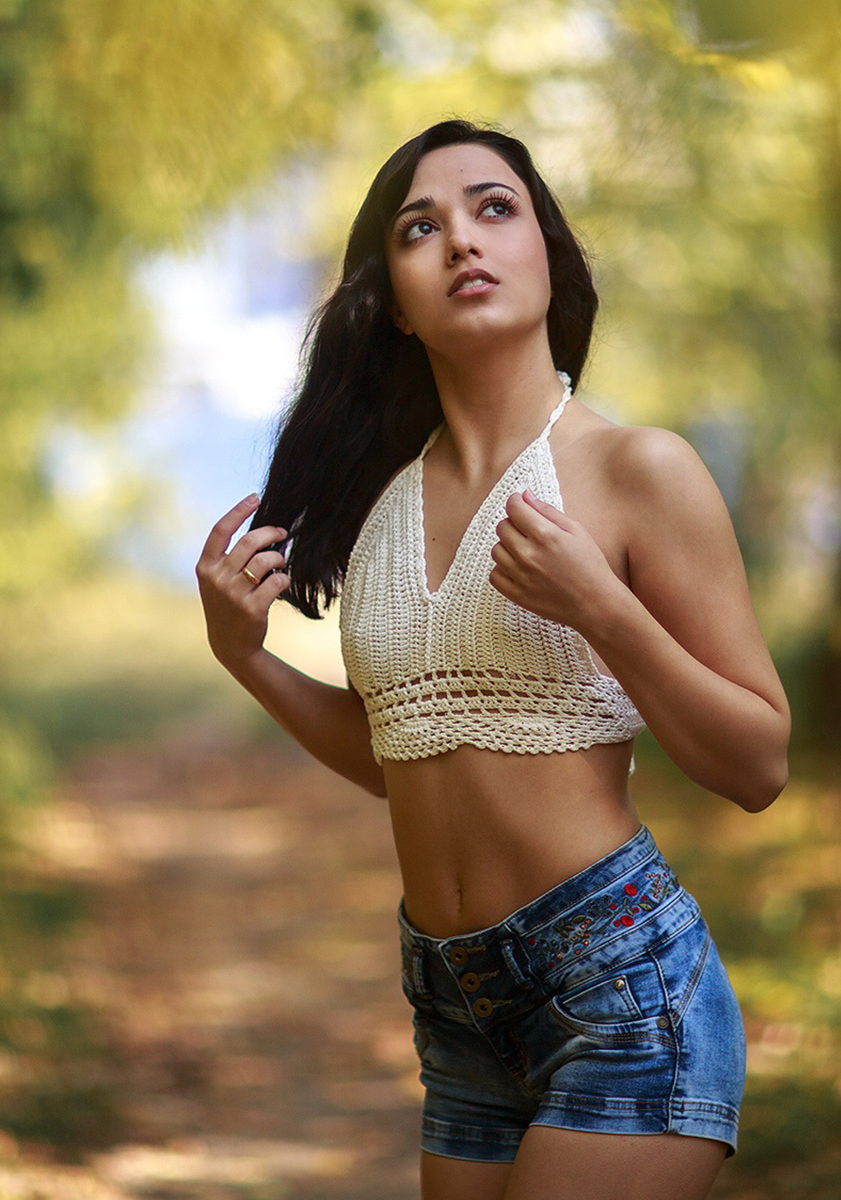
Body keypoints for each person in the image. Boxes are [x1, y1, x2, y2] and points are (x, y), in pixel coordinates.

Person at [196, 119, 790, 1200]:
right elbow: (405, 753)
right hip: (456, 1010)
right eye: (421, 228)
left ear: (548, 257)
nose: (462, 241)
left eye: (494, 208)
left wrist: (604, 609)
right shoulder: (379, 504)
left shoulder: (636, 470)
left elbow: (759, 764)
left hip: (619, 990)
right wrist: (250, 661)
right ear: (395, 303)